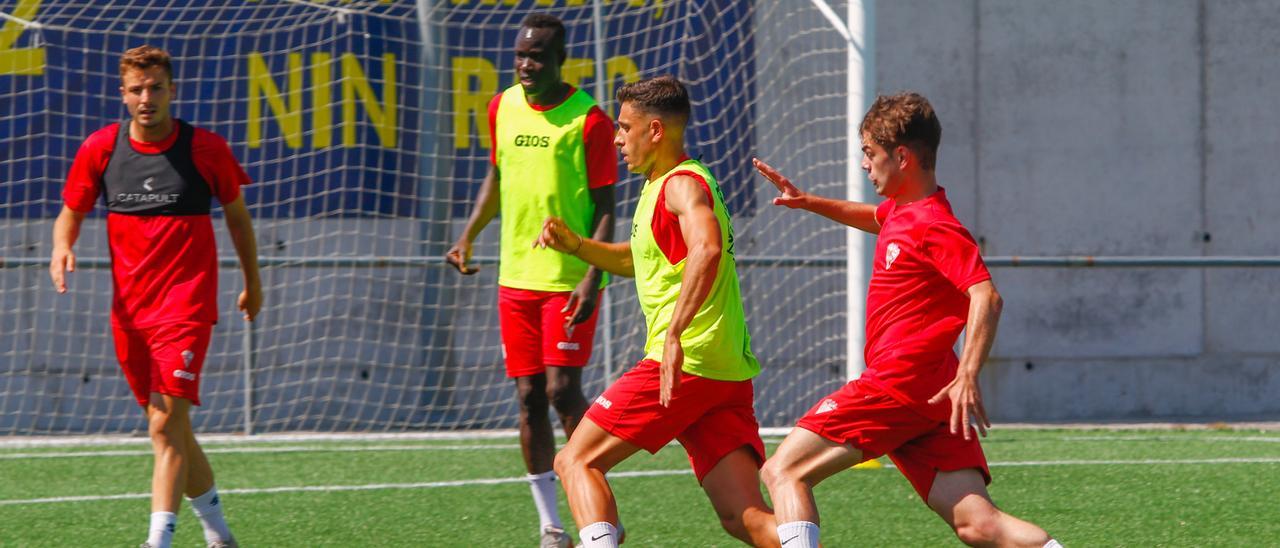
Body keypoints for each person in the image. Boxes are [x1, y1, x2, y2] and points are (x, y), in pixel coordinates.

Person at [753, 92, 1062, 547]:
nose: (864, 165)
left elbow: (986, 295)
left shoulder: (936, 225)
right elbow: (877, 219)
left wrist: (970, 373)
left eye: (869, 154)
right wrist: (808, 202)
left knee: (783, 470)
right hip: (931, 390)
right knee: (979, 524)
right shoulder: (904, 209)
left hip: (901, 382)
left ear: (901, 156)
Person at [537, 75, 778, 548]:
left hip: (685, 362)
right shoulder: (663, 187)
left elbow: (706, 249)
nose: (617, 138)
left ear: (655, 131)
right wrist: (578, 246)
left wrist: (673, 335)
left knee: (575, 461)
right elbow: (637, 259)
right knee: (744, 517)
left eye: (625, 127)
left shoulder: (681, 185)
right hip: (722, 372)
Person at [49, 45, 260, 548]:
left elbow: (237, 217)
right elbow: (70, 212)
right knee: (171, 428)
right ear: (122, 95)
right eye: (137, 89)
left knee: (165, 424)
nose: (148, 97)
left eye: (156, 87)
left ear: (172, 90)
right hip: (129, 313)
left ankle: (158, 540)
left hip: (186, 307)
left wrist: (254, 281)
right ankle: (221, 535)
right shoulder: (100, 148)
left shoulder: (205, 148)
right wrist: (61, 247)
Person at [443, 13, 617, 548]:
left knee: (564, 391)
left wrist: (593, 276)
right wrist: (469, 234)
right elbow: (497, 177)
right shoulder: (502, 106)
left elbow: (608, 205)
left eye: (537, 55)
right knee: (527, 397)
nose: (525, 63)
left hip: (569, 279)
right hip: (515, 277)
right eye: (520, 54)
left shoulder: (589, 120)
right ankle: (550, 526)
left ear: (561, 59)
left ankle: (598, 512)